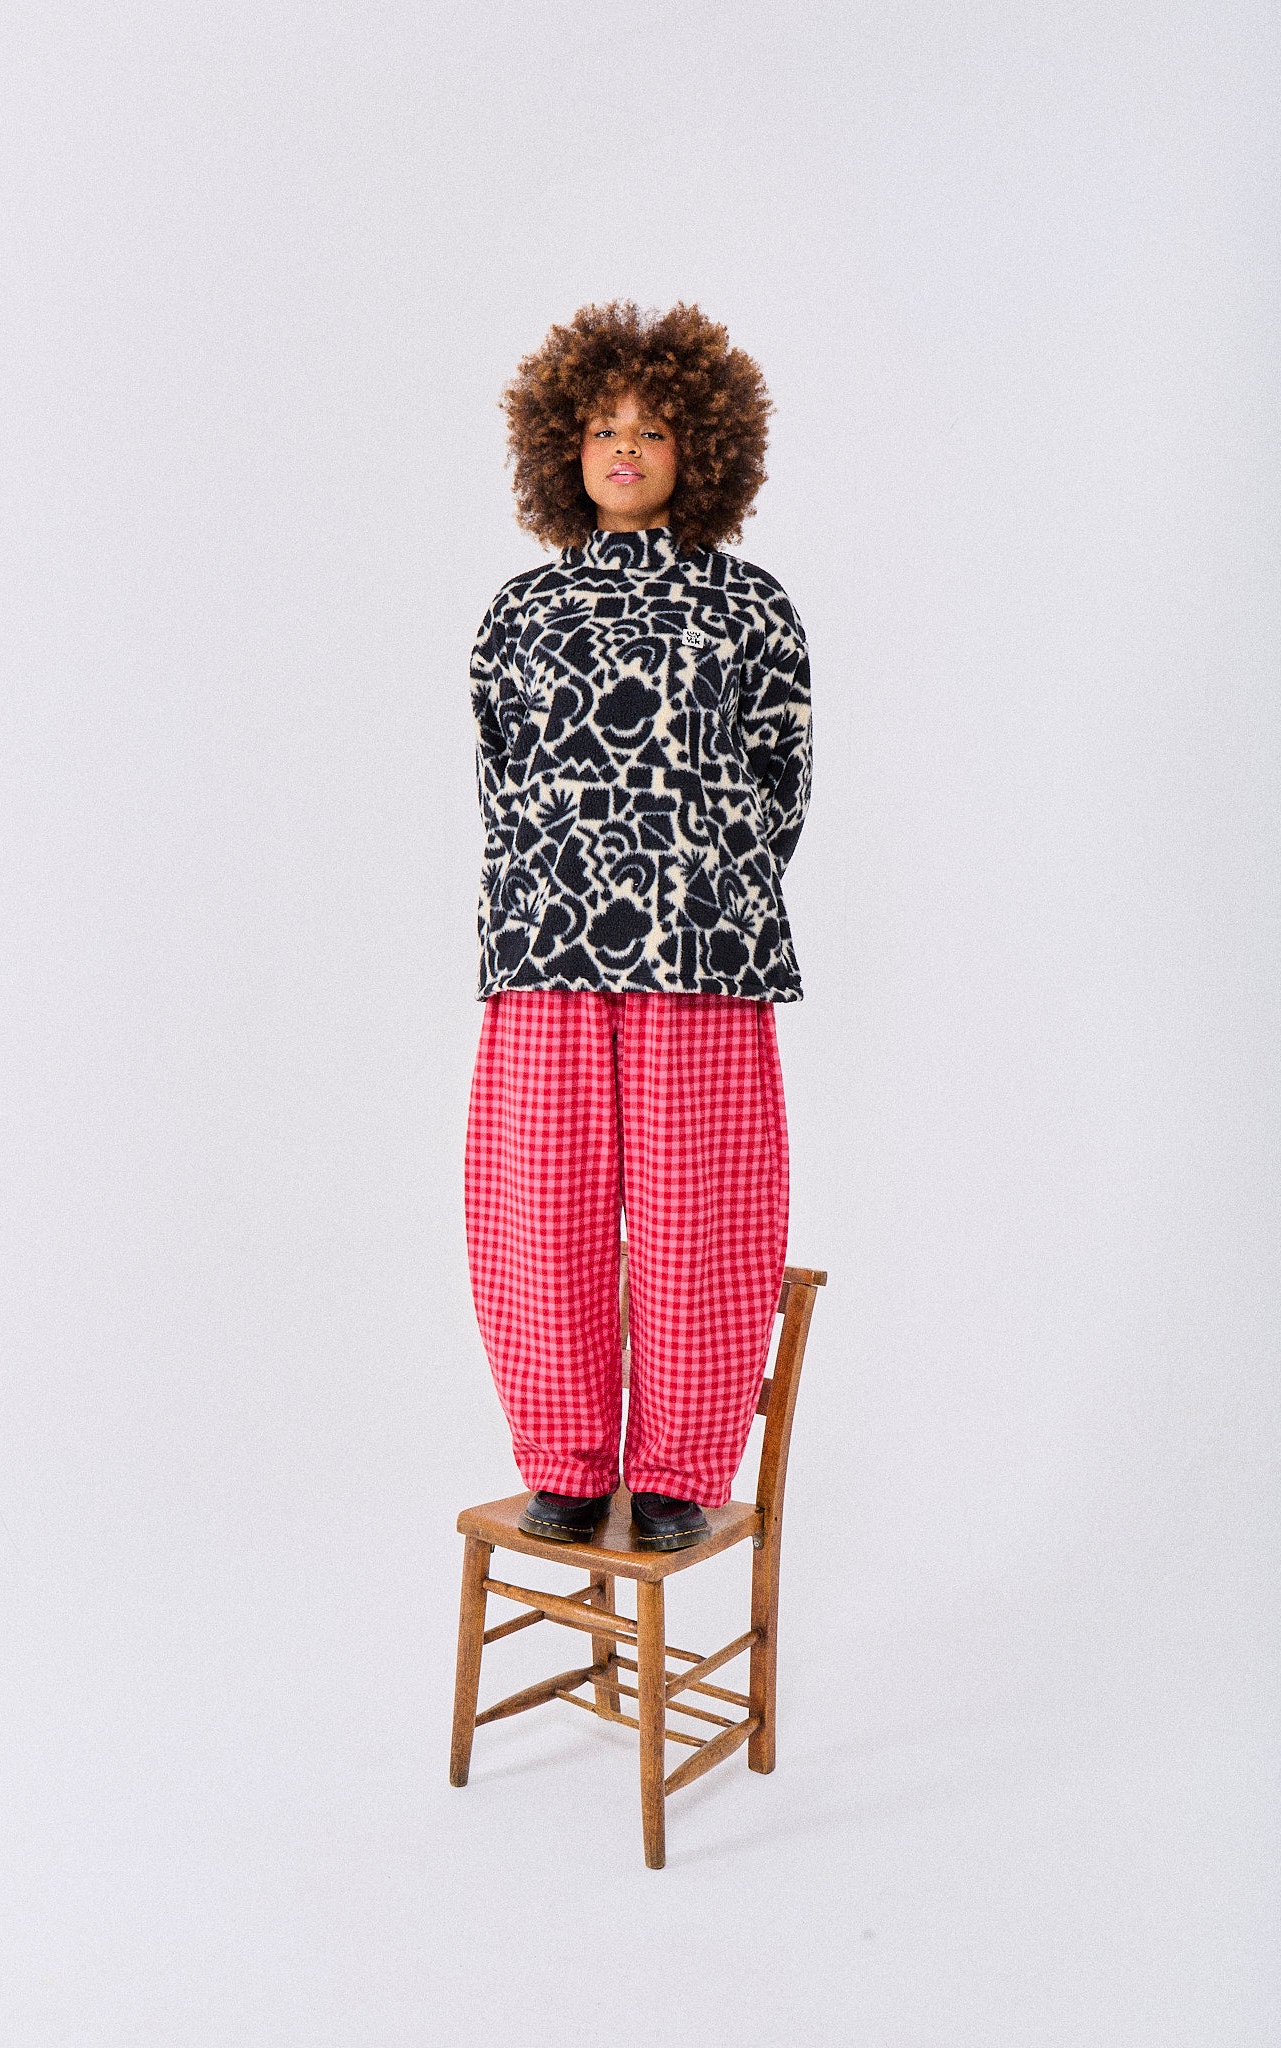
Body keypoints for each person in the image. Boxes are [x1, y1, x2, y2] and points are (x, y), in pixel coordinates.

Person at [464, 300, 811, 1553]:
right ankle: (564, 1461)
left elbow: (780, 780)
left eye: (652, 428)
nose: (625, 446)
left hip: (703, 950)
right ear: (562, 448)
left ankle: (675, 1470)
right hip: (545, 949)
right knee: (540, 1213)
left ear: (699, 449)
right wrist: (550, 888)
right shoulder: (517, 612)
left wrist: (703, 886)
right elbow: (501, 780)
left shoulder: (752, 607)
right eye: (603, 427)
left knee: (698, 1215)